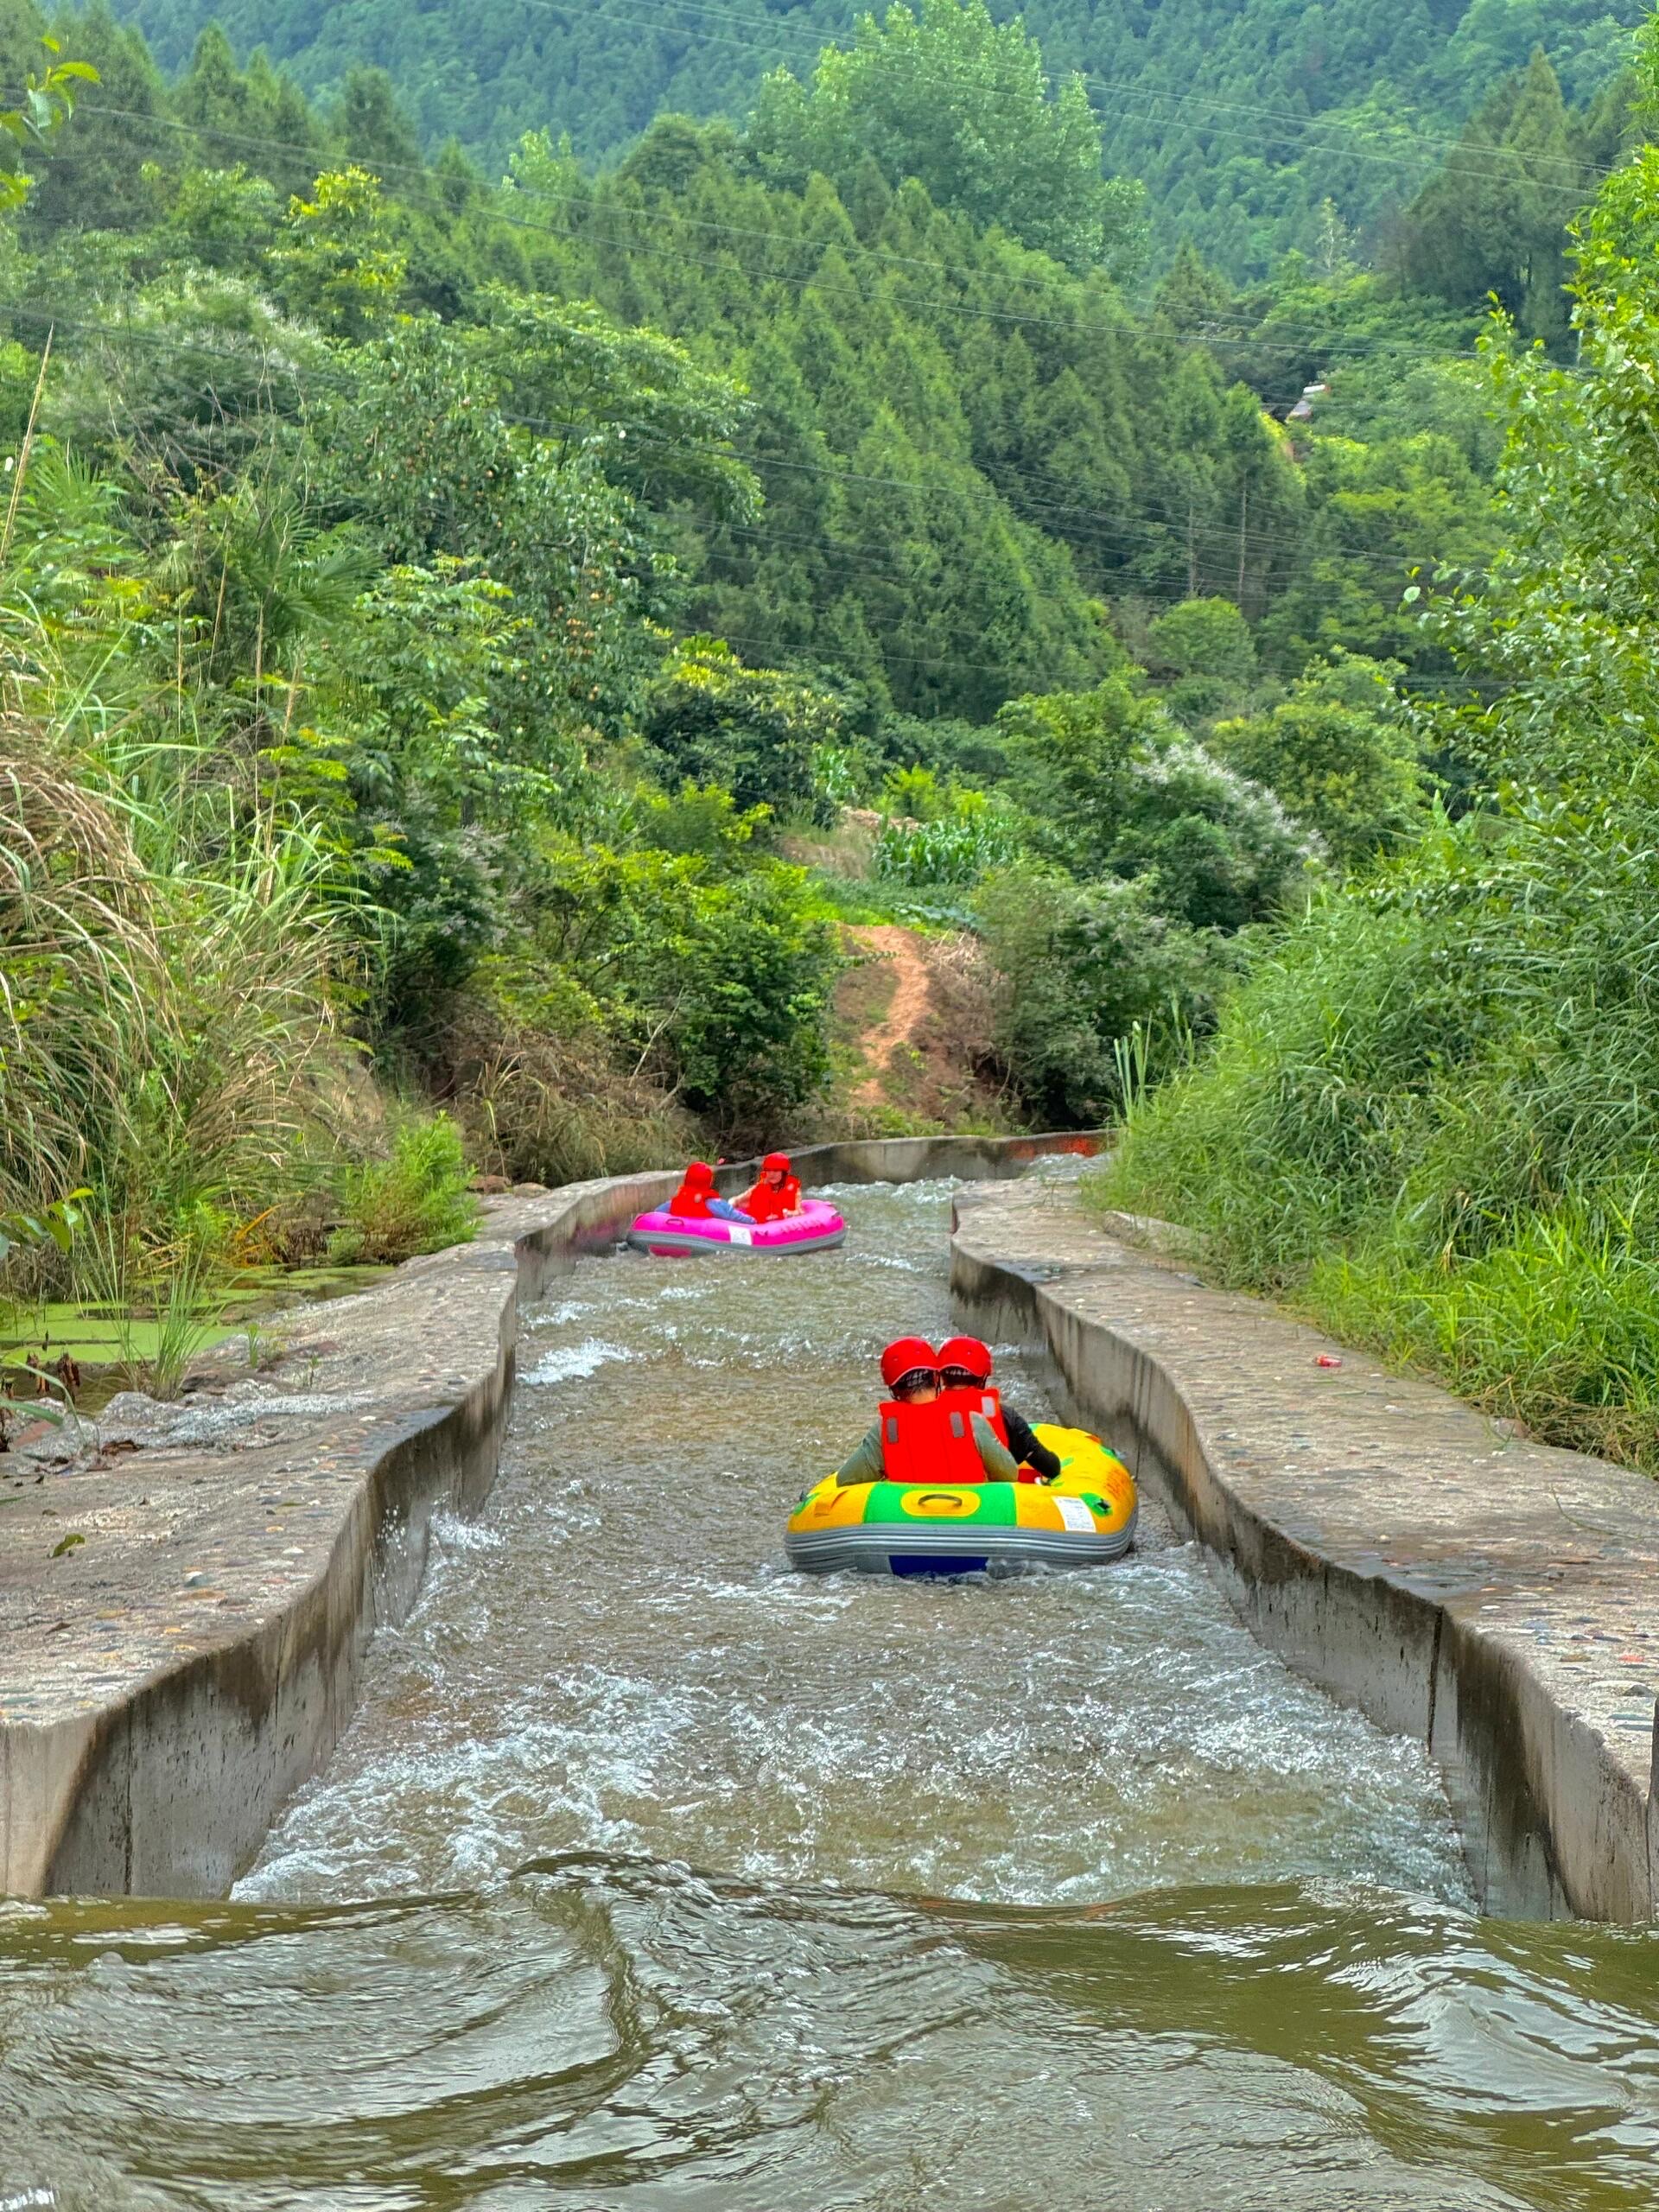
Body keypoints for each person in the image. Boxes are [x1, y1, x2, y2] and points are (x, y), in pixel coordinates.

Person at [834, 1337, 1020, 1487]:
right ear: (935, 1376)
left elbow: (846, 1480)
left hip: (906, 1525)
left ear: (894, 1390)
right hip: (968, 1522)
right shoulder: (972, 1421)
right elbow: (1009, 1474)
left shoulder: (885, 1429)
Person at [938, 1334, 1063, 1483]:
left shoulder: (926, 1413)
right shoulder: (1007, 1417)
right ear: (983, 1377)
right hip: (995, 1500)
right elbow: (1050, 1467)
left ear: (941, 1376)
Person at [666, 1161, 748, 1222]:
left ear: (686, 1180)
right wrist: (755, 1221)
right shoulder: (715, 1204)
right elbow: (742, 1219)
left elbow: (656, 1214)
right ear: (709, 1183)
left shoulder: (672, 1204)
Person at [737, 1150, 803, 1224]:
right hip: (760, 1225)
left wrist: (788, 1213)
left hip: (783, 1223)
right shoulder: (760, 1187)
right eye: (768, 1170)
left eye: (775, 1171)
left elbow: (799, 1211)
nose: (771, 1174)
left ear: (785, 1173)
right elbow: (737, 1201)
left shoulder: (794, 1189)